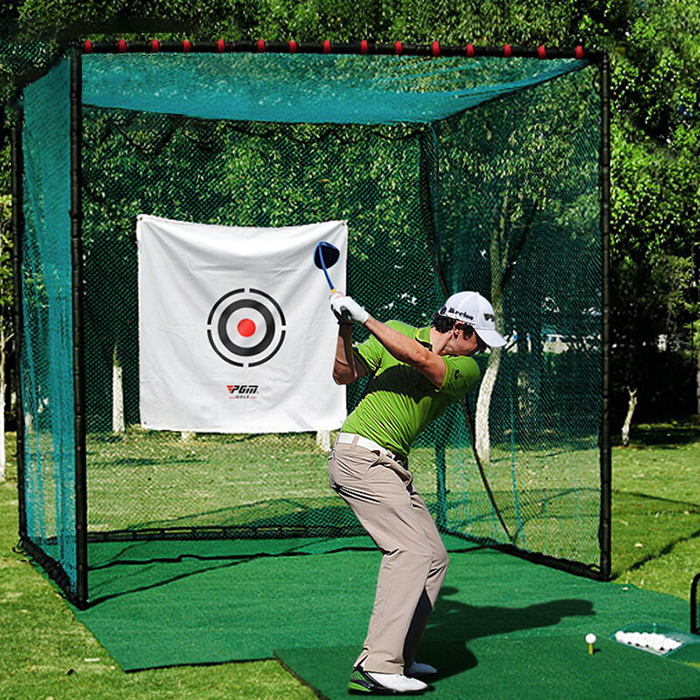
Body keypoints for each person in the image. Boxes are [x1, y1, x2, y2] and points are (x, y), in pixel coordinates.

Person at [328, 290, 506, 695]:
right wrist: (344, 326)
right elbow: (343, 374)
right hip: (360, 458)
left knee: (434, 558)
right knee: (410, 551)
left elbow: (422, 360)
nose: (480, 350)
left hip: (392, 466)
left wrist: (365, 317)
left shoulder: (464, 368)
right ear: (459, 329)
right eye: (479, 340)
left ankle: (400, 656)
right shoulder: (396, 332)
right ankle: (376, 665)